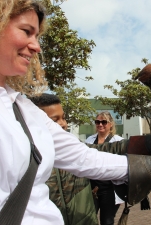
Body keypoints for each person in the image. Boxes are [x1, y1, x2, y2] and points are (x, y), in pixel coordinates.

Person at [0, 0, 151, 225]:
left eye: (37, 36)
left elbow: (85, 158)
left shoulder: (21, 106)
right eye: (26, 31)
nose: (36, 46)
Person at [30, 93, 98, 225]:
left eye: (63, 118)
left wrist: (143, 144)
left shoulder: (75, 145)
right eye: (54, 120)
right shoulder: (26, 158)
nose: (63, 124)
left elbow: (105, 151)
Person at [85, 111, 123, 225]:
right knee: (88, 218)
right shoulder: (89, 140)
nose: (100, 124)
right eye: (97, 122)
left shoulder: (118, 141)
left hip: (110, 189)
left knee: (107, 221)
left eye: (104, 122)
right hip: (92, 188)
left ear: (110, 124)